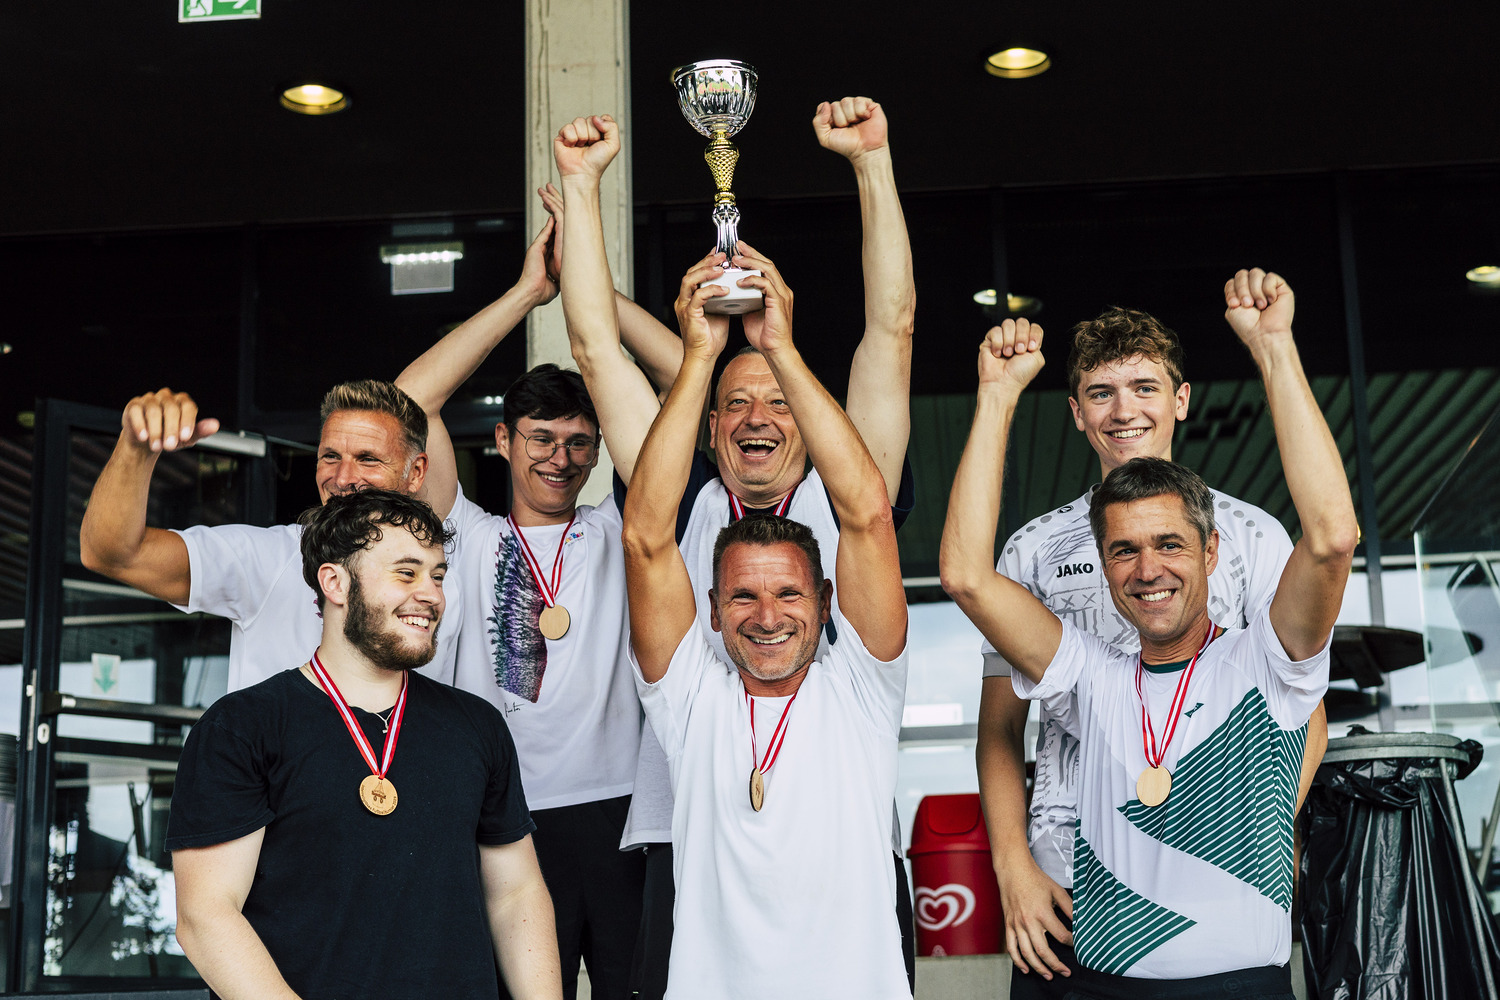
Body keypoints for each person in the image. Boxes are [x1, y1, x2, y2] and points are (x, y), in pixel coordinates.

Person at [542, 99, 918, 997]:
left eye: (779, 402)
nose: (759, 417)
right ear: (709, 429)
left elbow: (892, 328)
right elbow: (596, 352)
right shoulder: (682, 501)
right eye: (736, 405)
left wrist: (871, 164)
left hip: (840, 838)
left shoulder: (844, 495)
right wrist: (582, 188)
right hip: (692, 834)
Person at [941, 270, 1353, 998]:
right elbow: (994, 705)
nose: (1124, 409)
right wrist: (1012, 866)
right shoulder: (1046, 571)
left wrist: (1246, 841)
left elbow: (1303, 702)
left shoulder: (1254, 541)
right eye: (1102, 392)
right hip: (1069, 890)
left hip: (1221, 899)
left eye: (1144, 388)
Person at [389, 117, 649, 1000]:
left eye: (579, 442)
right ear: (502, 441)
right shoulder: (462, 533)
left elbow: (644, 382)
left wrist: (591, 282)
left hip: (618, 811)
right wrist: (526, 292)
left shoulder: (621, 526)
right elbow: (407, 402)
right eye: (540, 438)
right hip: (501, 813)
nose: (560, 459)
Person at [621, 234, 912, 998]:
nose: (768, 615)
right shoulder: (691, 701)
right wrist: (698, 360)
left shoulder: (862, 691)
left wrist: (780, 348)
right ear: (712, 616)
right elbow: (646, 537)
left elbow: (867, 513)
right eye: (743, 598)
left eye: (789, 594)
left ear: (827, 603)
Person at [167, 488, 562, 1000]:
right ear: (335, 582)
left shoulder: (477, 725)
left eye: (437, 575)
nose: (431, 595)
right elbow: (206, 916)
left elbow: (516, 894)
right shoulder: (242, 727)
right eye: (406, 573)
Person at [79, 378, 464, 691]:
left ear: (416, 473)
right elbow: (111, 554)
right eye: (330, 457)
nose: (343, 478)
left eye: (368, 459)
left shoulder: (441, 586)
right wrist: (136, 449)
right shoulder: (267, 559)